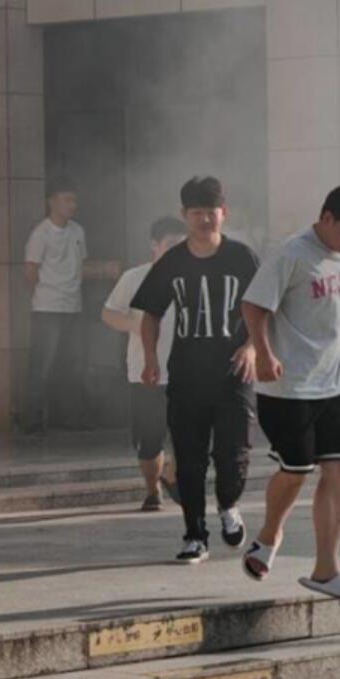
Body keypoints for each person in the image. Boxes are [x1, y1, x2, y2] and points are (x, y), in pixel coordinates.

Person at [240, 185, 340, 599]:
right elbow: (254, 306)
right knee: (297, 470)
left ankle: (326, 570)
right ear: (326, 217)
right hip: (290, 384)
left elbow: (328, 291)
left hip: (337, 376)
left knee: (339, 471)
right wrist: (263, 353)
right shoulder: (291, 253)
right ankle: (269, 534)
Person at [131, 178, 261, 563]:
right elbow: (150, 314)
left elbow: (264, 308)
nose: (205, 220)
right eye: (197, 212)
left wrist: (252, 347)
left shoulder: (242, 257)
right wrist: (150, 359)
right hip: (187, 375)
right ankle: (194, 535)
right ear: (184, 215)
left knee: (233, 454)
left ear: (224, 213)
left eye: (211, 212)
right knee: (189, 459)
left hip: (234, 374)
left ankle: (228, 504)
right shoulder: (173, 262)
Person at [101, 216, 186, 511]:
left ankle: (174, 476)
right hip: (146, 373)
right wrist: (135, 326)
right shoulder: (134, 278)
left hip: (188, 372)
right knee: (149, 441)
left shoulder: (194, 277)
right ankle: (153, 489)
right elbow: (109, 313)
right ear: (154, 245)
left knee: (189, 434)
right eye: (171, 245)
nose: (177, 251)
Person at [22, 176, 118, 434]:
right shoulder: (41, 233)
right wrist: (44, 294)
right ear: (52, 202)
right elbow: (30, 271)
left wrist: (104, 270)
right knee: (42, 365)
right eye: (67, 200)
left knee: (73, 364)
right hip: (47, 309)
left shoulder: (77, 231)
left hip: (73, 306)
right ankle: (32, 420)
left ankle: (71, 418)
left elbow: (80, 267)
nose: (72, 205)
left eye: (74, 200)